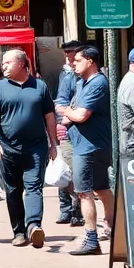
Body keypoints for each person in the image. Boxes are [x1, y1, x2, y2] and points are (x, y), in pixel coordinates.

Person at [0, 49, 57, 249]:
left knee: (34, 187)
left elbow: (49, 116)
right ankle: (19, 232)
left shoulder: (39, 87)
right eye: (3, 63)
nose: (3, 66)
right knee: (13, 191)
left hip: (36, 148)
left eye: (7, 63)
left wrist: (53, 143)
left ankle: (34, 225)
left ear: (21, 64)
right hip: (8, 149)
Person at [58, 45, 113, 256]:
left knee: (84, 192)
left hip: (89, 147)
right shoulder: (82, 83)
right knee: (101, 188)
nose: (73, 63)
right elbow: (69, 116)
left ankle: (91, 239)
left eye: (78, 60)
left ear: (90, 61)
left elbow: (79, 115)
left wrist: (66, 110)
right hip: (85, 143)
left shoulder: (97, 82)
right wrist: (69, 112)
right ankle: (113, 225)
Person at [54, 40, 84, 226]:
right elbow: (60, 102)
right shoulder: (66, 76)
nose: (68, 56)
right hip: (67, 130)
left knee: (78, 172)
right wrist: (62, 123)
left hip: (85, 131)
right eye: (66, 53)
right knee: (65, 172)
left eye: (71, 52)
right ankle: (67, 209)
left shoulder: (96, 77)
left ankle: (77, 209)